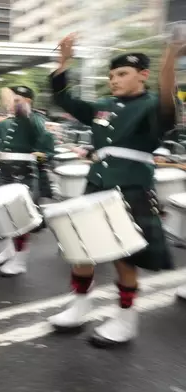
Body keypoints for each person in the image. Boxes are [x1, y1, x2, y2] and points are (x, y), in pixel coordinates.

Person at [46, 33, 179, 348]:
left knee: (124, 257)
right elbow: (66, 101)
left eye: (122, 74)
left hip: (130, 187)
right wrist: (63, 63)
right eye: (111, 75)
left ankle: (126, 319)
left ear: (142, 75)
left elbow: (166, 99)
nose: (114, 80)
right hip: (97, 184)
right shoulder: (103, 106)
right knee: (82, 249)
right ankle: (80, 306)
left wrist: (171, 57)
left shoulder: (151, 106)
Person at [0, 85, 48, 276]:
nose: (11, 104)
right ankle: (7, 250)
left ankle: (20, 261)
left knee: (19, 219)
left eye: (16, 100)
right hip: (4, 174)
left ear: (27, 102)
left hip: (24, 174)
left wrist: (24, 110)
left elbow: (39, 132)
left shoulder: (34, 120)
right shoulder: (6, 123)